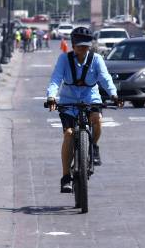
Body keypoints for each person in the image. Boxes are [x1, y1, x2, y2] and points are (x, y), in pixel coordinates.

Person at [46, 27, 119, 193]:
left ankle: (93, 146)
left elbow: (105, 78)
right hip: (68, 101)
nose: (82, 49)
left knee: (97, 119)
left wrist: (114, 94)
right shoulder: (64, 59)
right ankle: (66, 177)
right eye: (79, 46)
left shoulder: (97, 59)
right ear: (72, 45)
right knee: (69, 134)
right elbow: (56, 78)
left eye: (85, 46)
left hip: (90, 98)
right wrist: (51, 97)